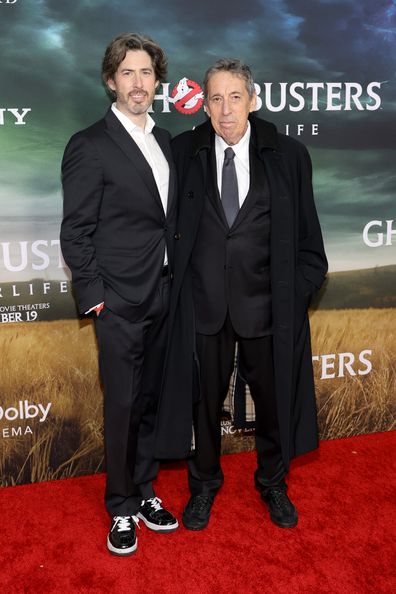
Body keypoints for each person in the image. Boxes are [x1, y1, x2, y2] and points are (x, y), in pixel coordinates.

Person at [155, 58, 327, 531]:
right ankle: (204, 486)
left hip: (268, 308)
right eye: (215, 98)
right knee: (202, 406)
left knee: (273, 404)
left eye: (235, 97)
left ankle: (272, 482)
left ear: (253, 100)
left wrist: (295, 295)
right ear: (203, 105)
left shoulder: (288, 155)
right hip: (203, 307)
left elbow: (311, 242)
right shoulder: (182, 152)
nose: (225, 110)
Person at [60, 33, 179, 556]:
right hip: (119, 301)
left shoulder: (166, 139)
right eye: (127, 73)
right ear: (111, 80)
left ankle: (146, 488)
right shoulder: (89, 144)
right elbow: (76, 231)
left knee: (150, 401)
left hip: (164, 295)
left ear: (158, 80)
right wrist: (96, 297)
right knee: (124, 405)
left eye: (147, 72)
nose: (138, 83)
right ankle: (121, 506)